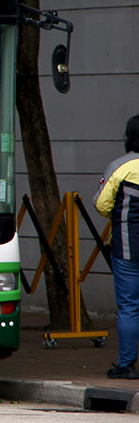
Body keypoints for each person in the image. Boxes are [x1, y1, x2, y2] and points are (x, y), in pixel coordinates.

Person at [94, 115, 139, 380]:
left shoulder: (120, 166)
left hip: (127, 248)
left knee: (130, 307)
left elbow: (102, 205)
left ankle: (127, 365)